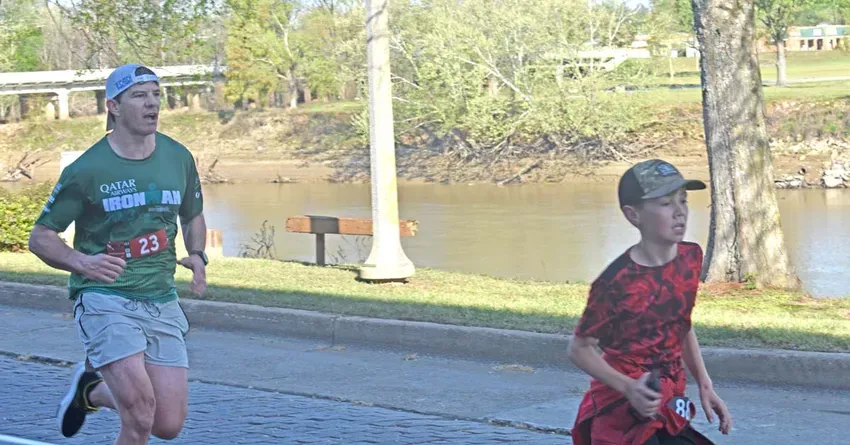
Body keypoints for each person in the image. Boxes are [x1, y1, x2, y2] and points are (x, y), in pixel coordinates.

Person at [28, 63, 209, 444]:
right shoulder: (87, 169)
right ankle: (111, 397)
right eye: (139, 96)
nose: (152, 104)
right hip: (105, 298)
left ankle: (90, 391)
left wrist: (197, 253)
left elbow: (192, 214)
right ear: (113, 106)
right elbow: (41, 237)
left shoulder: (178, 157)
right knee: (140, 414)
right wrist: (81, 262)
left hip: (160, 298)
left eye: (156, 95)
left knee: (167, 424)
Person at [567, 159, 733, 445]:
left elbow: (680, 324)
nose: (680, 211)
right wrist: (629, 387)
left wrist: (705, 384)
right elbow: (579, 349)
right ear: (633, 215)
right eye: (665, 204)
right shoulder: (616, 282)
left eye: (683, 200)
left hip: (667, 400)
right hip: (621, 411)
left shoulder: (690, 257)